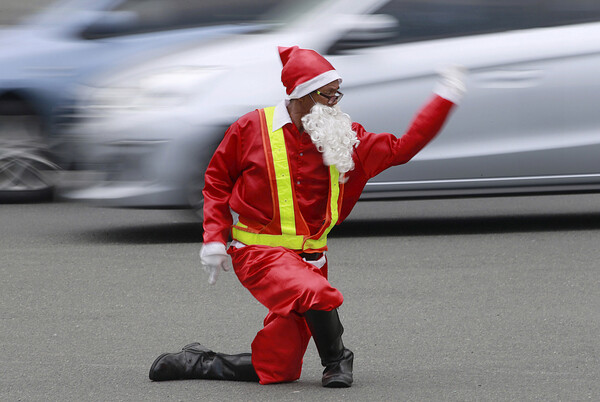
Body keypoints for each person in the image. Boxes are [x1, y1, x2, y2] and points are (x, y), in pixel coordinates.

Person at [149, 45, 466, 388]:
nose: (335, 103)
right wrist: (214, 237)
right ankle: (338, 360)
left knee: (279, 368)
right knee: (318, 293)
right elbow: (216, 181)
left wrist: (445, 96)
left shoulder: (343, 136)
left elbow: (404, 147)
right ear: (300, 95)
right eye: (326, 95)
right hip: (257, 253)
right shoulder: (251, 128)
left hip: (313, 257)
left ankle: (199, 361)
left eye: (336, 94)